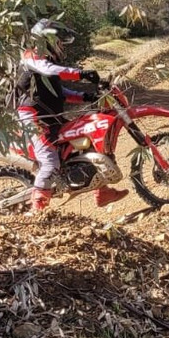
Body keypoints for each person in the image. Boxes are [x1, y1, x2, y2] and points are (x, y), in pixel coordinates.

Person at [14, 18, 128, 213]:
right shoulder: (31, 57)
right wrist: (81, 74)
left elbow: (61, 92)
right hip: (32, 117)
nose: (60, 47)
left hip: (51, 116)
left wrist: (87, 95)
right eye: (57, 42)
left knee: (86, 144)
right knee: (50, 160)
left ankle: (103, 193)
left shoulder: (46, 63)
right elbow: (50, 71)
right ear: (45, 41)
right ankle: (36, 209)